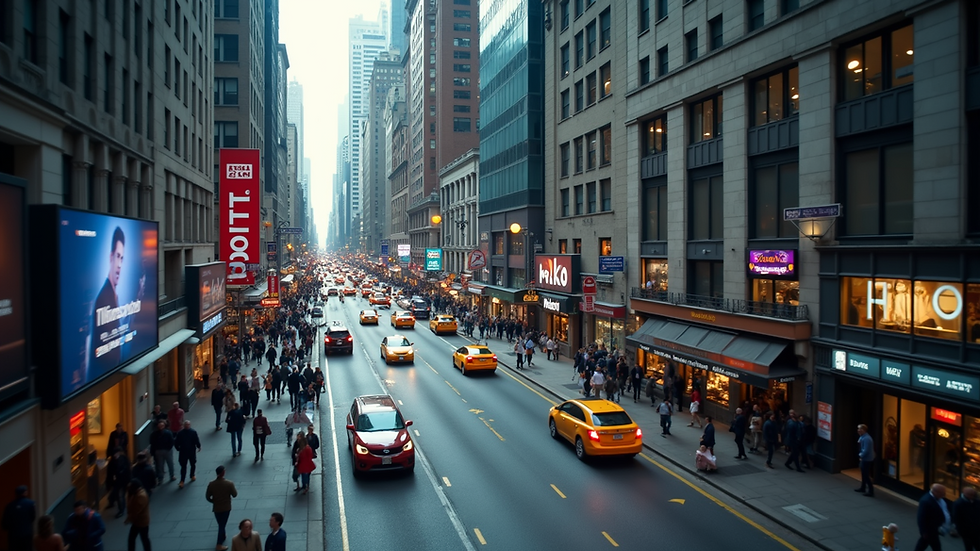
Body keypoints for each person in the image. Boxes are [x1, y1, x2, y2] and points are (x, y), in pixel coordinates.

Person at [206, 466, 238, 551]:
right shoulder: (229, 483)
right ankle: (219, 544)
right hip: (226, 507)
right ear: (223, 473)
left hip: (216, 508)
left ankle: (223, 535)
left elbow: (208, 497)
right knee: (222, 525)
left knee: (220, 523)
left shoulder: (211, 484)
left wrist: (214, 501)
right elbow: (234, 494)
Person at [914, 484, 950, 551]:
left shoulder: (939, 499)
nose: (944, 495)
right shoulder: (926, 501)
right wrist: (923, 532)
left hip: (934, 529)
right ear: (935, 492)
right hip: (929, 530)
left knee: (922, 545)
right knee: (935, 546)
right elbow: (921, 518)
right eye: (942, 493)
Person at [3, 485, 36, 550]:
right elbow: (33, 517)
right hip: (27, 534)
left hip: (13, 535)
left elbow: (5, 522)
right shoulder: (31, 503)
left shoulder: (9, 506)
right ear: (25, 492)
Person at [124, 480, 151, 551]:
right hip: (137, 521)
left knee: (143, 539)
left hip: (141, 522)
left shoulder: (141, 496)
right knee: (141, 539)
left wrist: (129, 518)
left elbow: (135, 510)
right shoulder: (135, 493)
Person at [174, 420, 202, 489]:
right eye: (186, 424)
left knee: (193, 463)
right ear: (183, 425)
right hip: (184, 452)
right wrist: (178, 448)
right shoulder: (180, 433)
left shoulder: (192, 432)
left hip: (190, 451)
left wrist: (198, 446)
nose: (187, 426)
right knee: (183, 466)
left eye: (188, 424)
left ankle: (192, 475)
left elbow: (196, 440)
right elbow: (176, 442)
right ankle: (182, 480)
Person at [106, 448, 132, 517]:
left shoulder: (123, 459)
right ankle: (120, 508)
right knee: (118, 495)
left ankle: (121, 509)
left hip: (123, 480)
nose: (115, 455)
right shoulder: (113, 462)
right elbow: (110, 473)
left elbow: (128, 470)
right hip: (118, 481)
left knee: (121, 495)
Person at [953, 486, 979, 551]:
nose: (973, 497)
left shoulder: (975, 501)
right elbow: (956, 518)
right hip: (966, 531)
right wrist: (961, 531)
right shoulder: (958, 504)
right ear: (966, 494)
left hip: (976, 529)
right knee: (969, 547)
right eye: (971, 495)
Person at [856, 423, 876, 497]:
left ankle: (871, 491)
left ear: (864, 430)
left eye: (860, 429)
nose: (858, 430)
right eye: (858, 429)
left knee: (866, 475)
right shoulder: (862, 437)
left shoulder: (867, 438)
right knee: (863, 474)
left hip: (866, 459)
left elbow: (866, 450)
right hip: (865, 458)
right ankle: (863, 487)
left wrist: (860, 456)